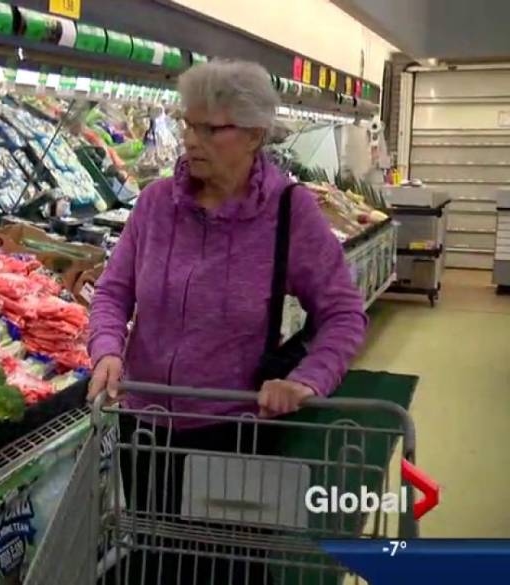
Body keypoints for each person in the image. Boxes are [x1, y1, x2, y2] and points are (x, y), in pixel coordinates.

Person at [87, 60, 367, 584]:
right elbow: (113, 291)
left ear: (256, 134)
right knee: (156, 560)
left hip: (234, 434)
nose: (191, 139)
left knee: (228, 570)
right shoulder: (154, 205)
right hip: (144, 431)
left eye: (211, 129)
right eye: (189, 124)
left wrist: (307, 380)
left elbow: (344, 314)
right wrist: (106, 348)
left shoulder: (289, 213)